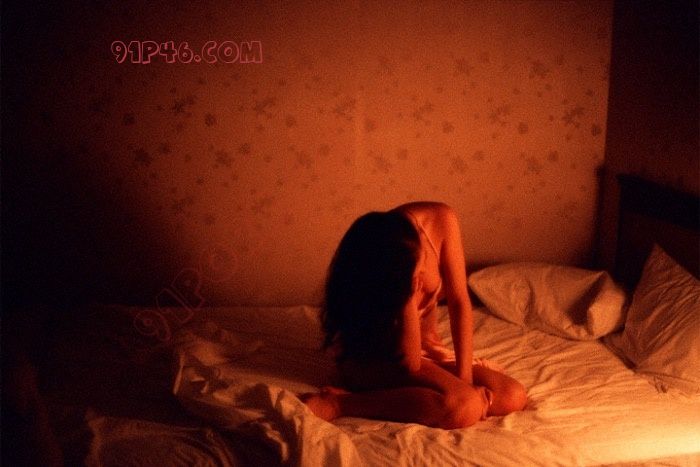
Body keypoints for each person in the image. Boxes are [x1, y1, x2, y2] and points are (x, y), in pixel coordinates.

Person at [301, 202, 527, 429]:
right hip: (379, 354)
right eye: (416, 277)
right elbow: (410, 362)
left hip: (424, 350)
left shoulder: (434, 223)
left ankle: (436, 397)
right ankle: (341, 403)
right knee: (464, 406)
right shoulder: (382, 262)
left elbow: (459, 301)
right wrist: (408, 295)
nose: (424, 272)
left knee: (512, 395)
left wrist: (464, 378)